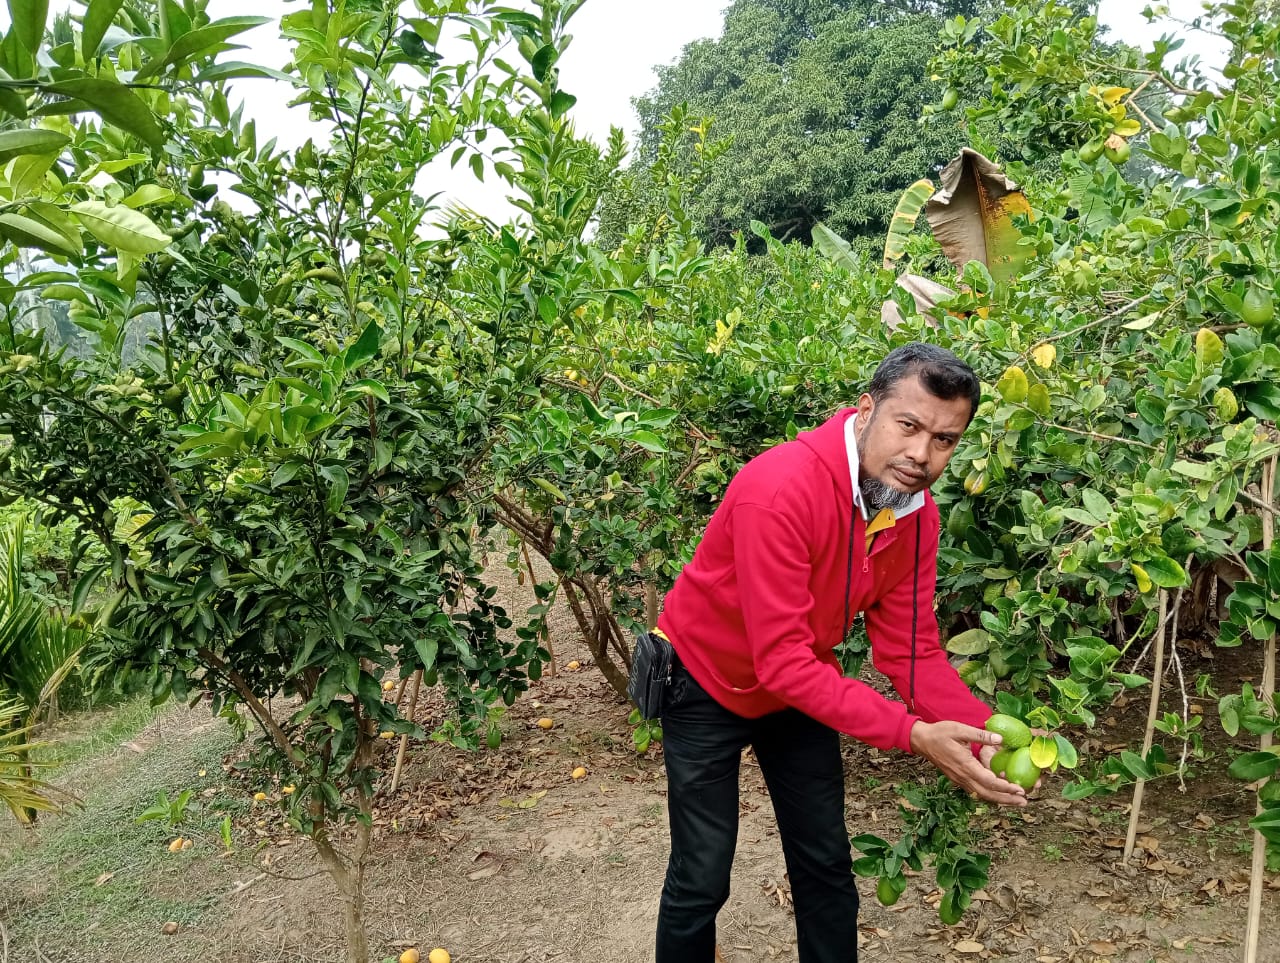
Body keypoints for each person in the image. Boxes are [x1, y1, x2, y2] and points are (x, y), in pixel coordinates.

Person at [652, 342, 1028, 963]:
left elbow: (911, 652)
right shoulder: (778, 490)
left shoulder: (913, 513)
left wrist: (989, 732)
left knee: (825, 862)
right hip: (706, 683)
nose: (921, 454)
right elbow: (780, 660)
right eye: (908, 425)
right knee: (702, 876)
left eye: (944, 439)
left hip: (799, 687)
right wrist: (913, 734)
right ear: (866, 409)